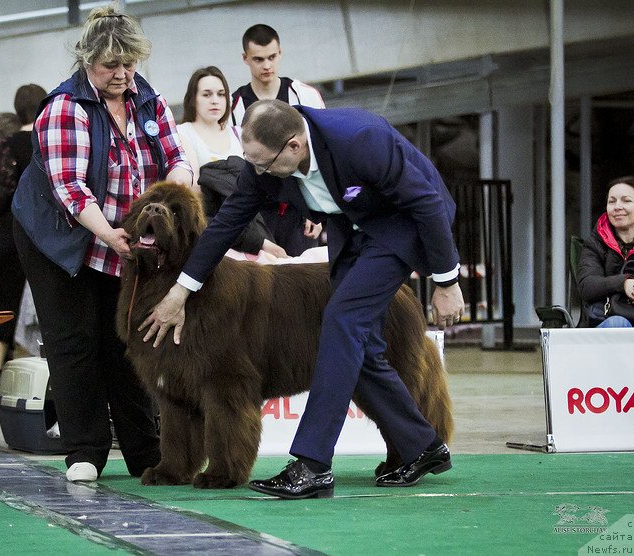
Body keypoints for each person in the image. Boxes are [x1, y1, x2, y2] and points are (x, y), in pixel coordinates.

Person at [140, 100, 465, 499]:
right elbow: (226, 224)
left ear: (294, 146)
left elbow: (426, 202)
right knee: (360, 346)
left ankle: (313, 464)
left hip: (405, 224)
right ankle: (423, 445)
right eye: (251, 161)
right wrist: (180, 290)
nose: (256, 172)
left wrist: (447, 281)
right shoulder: (264, 161)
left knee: (341, 320)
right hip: (355, 226)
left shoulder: (360, 140)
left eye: (262, 163)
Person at [11, 5, 192, 483]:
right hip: (60, 236)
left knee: (126, 340)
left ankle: (145, 451)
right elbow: (70, 188)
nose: (123, 74)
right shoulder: (65, 108)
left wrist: (175, 192)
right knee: (75, 341)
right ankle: (85, 451)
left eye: (130, 63)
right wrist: (108, 234)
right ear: (87, 61)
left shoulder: (149, 100)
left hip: (123, 236)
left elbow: (177, 159)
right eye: (111, 65)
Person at [231, 24, 324, 256]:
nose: (267, 65)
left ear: (280, 52)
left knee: (303, 273)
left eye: (272, 57)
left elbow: (321, 152)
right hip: (258, 210)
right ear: (245, 58)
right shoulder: (234, 106)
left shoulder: (305, 95)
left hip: (301, 207)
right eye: (259, 59)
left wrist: (318, 210)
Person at [178, 66, 286, 258]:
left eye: (221, 94)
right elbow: (194, 191)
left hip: (252, 219)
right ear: (193, 99)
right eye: (206, 94)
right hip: (212, 225)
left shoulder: (239, 133)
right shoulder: (183, 133)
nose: (215, 100)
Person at [0, 84, 48, 377]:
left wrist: (0, 214)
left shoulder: (10, 144)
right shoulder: (51, 138)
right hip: (46, 233)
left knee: (5, 300)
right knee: (46, 301)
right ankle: (41, 366)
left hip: (12, 231)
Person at [576, 176, 634, 328]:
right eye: (612, 201)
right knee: (618, 323)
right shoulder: (595, 243)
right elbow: (587, 286)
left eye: (626, 201)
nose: (617, 207)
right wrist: (623, 283)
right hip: (605, 321)